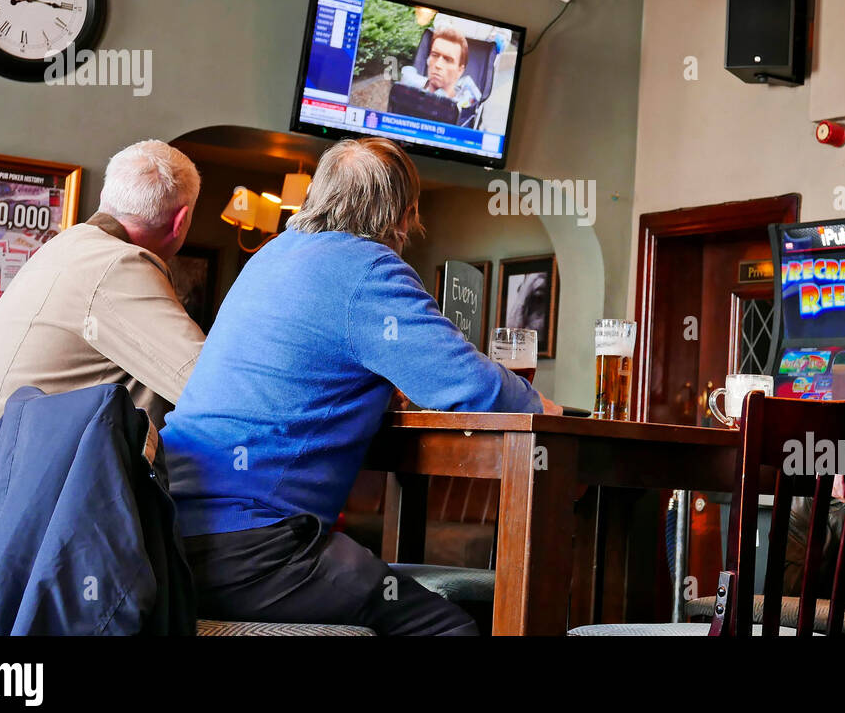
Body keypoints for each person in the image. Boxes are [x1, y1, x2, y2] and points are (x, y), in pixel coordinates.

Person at [161, 137, 561, 635]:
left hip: (168, 536)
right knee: (451, 628)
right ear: (403, 215)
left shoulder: (269, 257)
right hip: (256, 548)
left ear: (316, 196)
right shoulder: (368, 270)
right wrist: (551, 411)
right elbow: (472, 385)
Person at [0, 139, 206, 452]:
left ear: (104, 197)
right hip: (2, 483)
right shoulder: (118, 264)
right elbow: (207, 387)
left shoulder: (63, 248)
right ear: (180, 222)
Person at [398, 27, 481, 112]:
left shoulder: (464, 108)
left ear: (460, 70)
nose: (438, 65)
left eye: (448, 60)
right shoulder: (408, 90)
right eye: (434, 55)